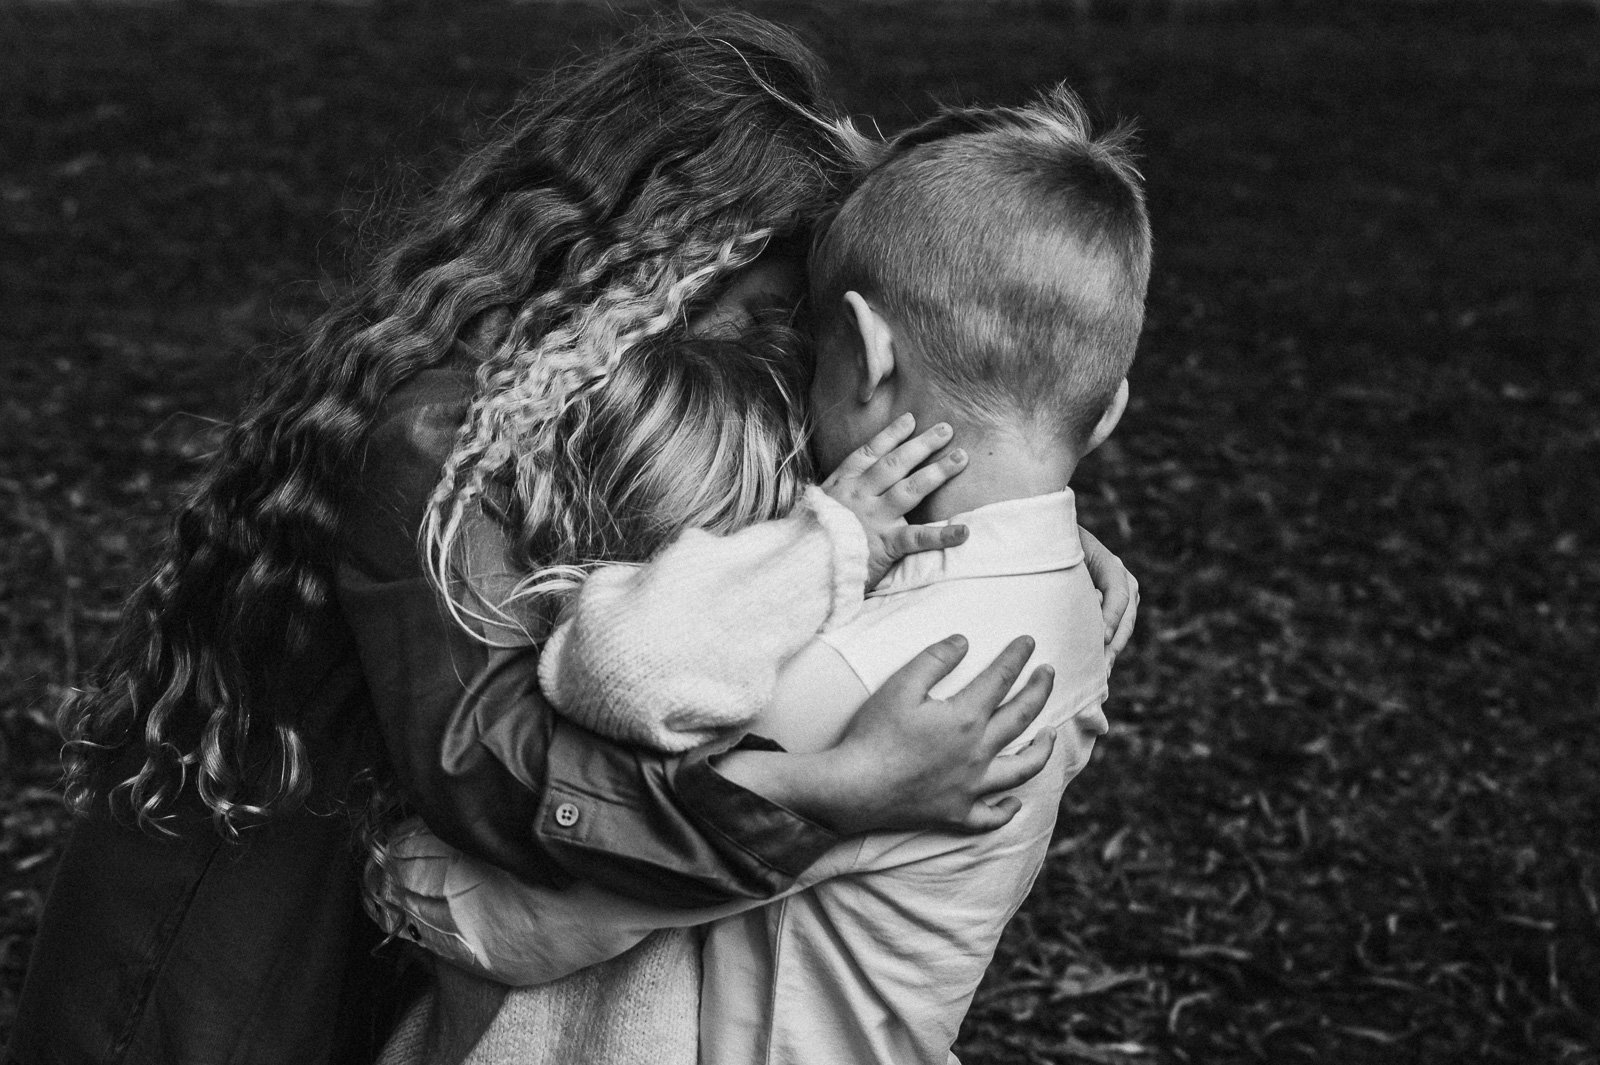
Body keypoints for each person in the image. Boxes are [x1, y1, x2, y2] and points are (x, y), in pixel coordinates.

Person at [6, 19, 1137, 1065]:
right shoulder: (436, 438)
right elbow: (499, 781)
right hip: (250, 925)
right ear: (661, 265)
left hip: (396, 939)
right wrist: (823, 794)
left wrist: (1005, 550)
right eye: (767, 310)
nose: (789, 359)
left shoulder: (642, 382)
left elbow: (814, 534)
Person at [370, 84, 1150, 1065]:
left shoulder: (864, 687)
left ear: (862, 354)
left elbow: (544, 903)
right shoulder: (1065, 611)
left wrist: (406, 882)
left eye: (798, 336)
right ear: (1110, 407)